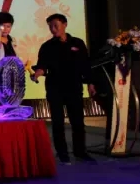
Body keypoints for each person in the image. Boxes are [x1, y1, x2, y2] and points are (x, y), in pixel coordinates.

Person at [31, 13, 96, 164]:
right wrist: (37, 73)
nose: (53, 29)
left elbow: (85, 65)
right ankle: (62, 153)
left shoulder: (78, 43)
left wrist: (91, 83)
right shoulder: (47, 46)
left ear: (65, 24)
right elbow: (42, 66)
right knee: (58, 122)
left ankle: (80, 152)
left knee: (77, 122)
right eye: (50, 27)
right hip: (55, 88)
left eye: (56, 25)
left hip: (74, 87)